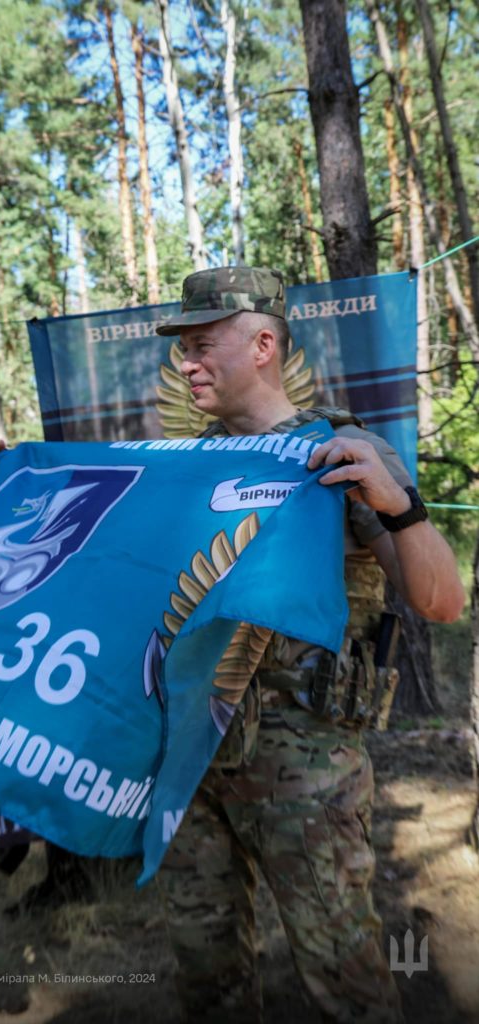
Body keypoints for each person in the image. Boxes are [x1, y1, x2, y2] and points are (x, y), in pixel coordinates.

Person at [153, 267, 465, 1023]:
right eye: (181, 349)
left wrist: (398, 508)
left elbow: (440, 600)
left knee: (342, 972)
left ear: (262, 343)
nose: (184, 363)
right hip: (191, 754)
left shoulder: (338, 452)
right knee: (205, 970)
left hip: (304, 760)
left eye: (201, 345)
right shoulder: (176, 468)